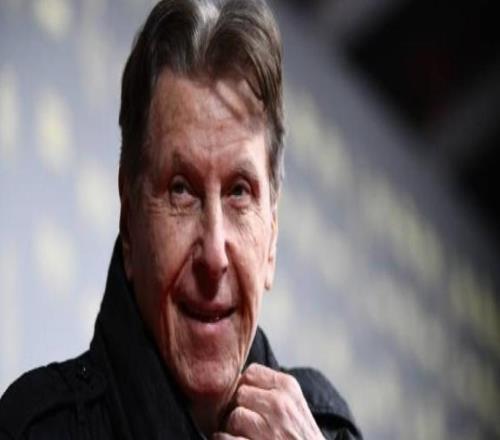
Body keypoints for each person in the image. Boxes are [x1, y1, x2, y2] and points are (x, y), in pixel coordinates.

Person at [0, 0, 362, 438]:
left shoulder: (328, 430)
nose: (214, 255)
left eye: (239, 192)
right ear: (129, 220)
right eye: (181, 190)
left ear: (272, 238)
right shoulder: (32, 430)